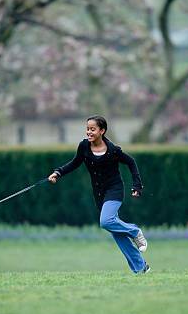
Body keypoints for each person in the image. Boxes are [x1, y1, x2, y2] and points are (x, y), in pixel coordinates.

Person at [48, 115, 150, 274]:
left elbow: (131, 162)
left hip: (115, 190)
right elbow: (74, 163)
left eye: (92, 129)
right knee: (117, 233)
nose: (89, 132)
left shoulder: (113, 150)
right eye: (88, 129)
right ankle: (141, 267)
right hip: (100, 194)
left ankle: (135, 231)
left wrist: (137, 185)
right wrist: (58, 173)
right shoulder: (84, 147)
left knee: (106, 221)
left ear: (102, 131)